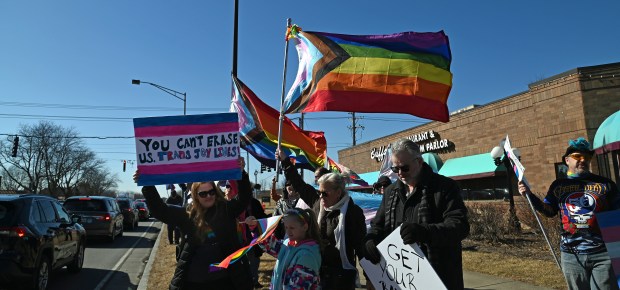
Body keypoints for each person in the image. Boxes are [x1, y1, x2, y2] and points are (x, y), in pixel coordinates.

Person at [364, 138, 469, 290]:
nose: (400, 173)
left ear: (419, 162)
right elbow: (377, 225)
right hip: (399, 278)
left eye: (404, 168)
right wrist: (370, 240)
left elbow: (460, 226)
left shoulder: (445, 187)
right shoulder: (390, 192)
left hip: (438, 276)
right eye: (395, 169)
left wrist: (424, 232)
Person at [134, 158, 253, 290]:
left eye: (211, 192)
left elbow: (244, 197)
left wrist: (241, 173)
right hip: (194, 283)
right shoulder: (188, 215)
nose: (208, 196)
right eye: (203, 193)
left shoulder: (226, 210)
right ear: (196, 196)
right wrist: (148, 185)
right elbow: (161, 210)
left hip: (226, 281)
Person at [518, 137, 620, 290]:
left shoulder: (606, 185)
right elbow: (549, 211)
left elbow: (617, 215)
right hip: (571, 255)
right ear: (567, 160)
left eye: (586, 157)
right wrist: (529, 196)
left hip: (603, 254)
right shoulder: (558, 185)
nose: (582, 160)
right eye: (577, 156)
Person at [277, 150, 367, 290]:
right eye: (319, 192)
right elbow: (299, 184)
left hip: (341, 278)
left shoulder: (352, 213)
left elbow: (362, 248)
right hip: (317, 273)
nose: (321, 196)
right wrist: (285, 161)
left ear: (338, 193)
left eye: (325, 193)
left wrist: (370, 277)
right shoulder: (318, 204)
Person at [251, 208, 322, 290]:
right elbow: (270, 245)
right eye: (286, 227)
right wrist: (256, 227)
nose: (288, 231)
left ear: (305, 227)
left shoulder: (307, 256)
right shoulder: (288, 244)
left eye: (292, 228)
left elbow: (298, 287)